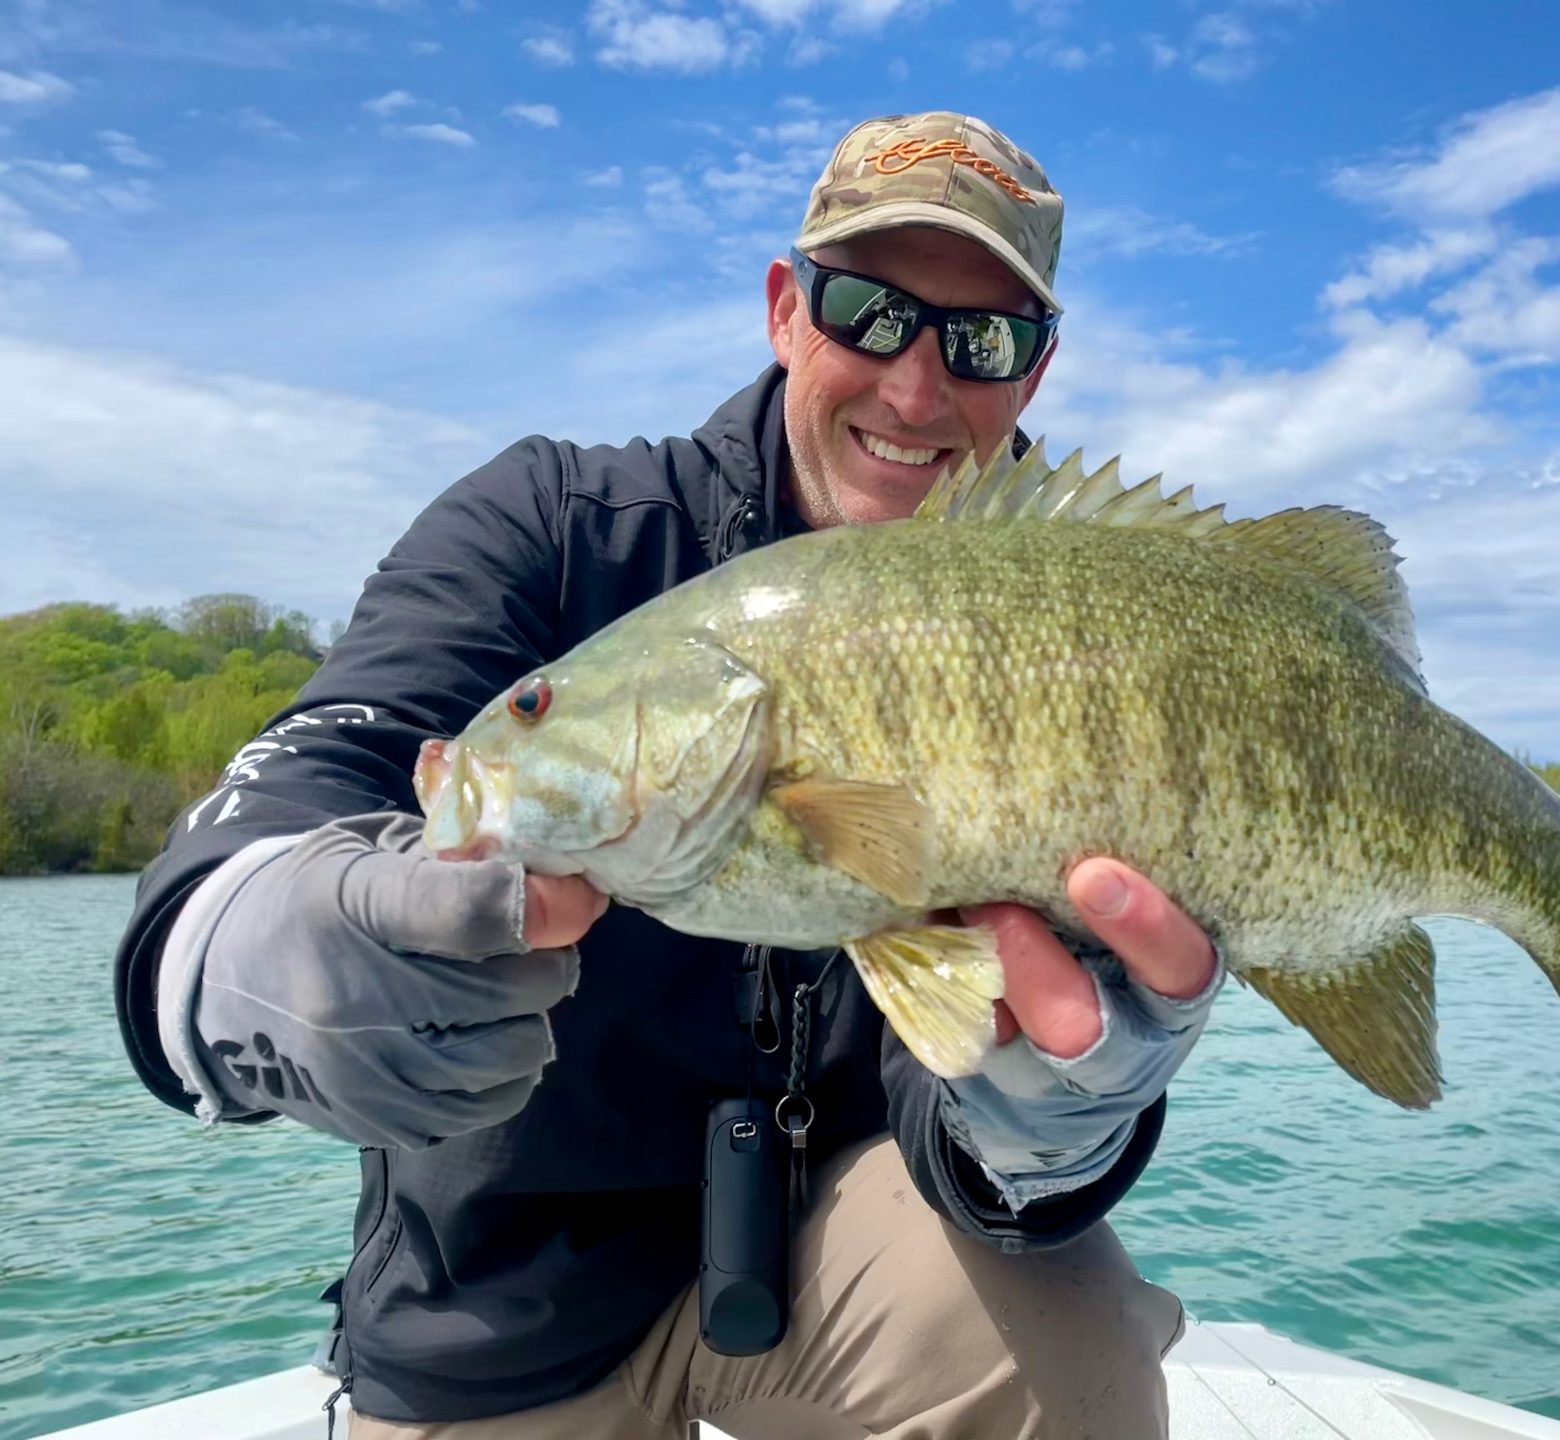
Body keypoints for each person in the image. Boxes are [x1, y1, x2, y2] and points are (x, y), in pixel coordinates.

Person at [112, 111, 1224, 1440]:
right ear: (785, 308)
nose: (916, 390)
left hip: (855, 1245)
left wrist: (1052, 1129)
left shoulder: (1078, 631)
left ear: (1032, 374)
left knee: (1075, 1355)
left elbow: (992, 1108)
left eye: (981, 340)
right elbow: (309, 777)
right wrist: (254, 947)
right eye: (867, 309)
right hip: (501, 1306)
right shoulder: (552, 529)